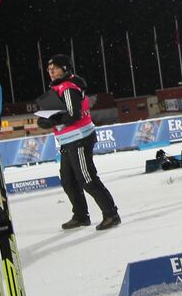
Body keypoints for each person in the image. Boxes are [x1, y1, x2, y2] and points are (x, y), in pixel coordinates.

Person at [37, 55, 120, 231]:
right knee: (68, 180)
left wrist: (51, 120)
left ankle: (111, 214)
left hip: (79, 139)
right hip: (68, 141)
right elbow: (60, 114)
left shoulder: (68, 87)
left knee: (87, 178)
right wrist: (46, 119)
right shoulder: (59, 87)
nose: (51, 72)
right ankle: (81, 216)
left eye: (55, 68)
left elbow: (73, 114)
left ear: (65, 69)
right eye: (49, 69)